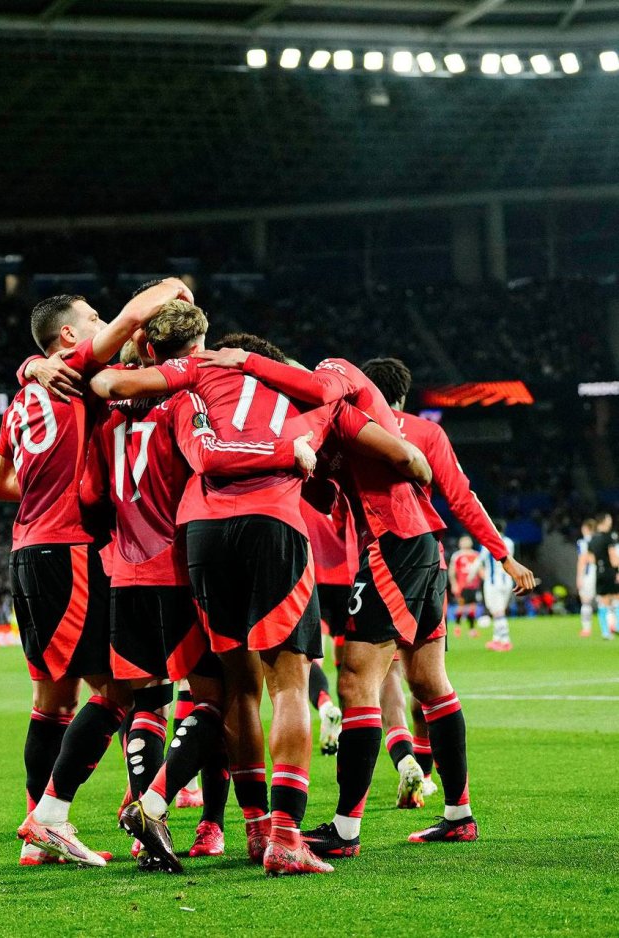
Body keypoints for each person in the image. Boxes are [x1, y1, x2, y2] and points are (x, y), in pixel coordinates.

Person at [89, 324, 430, 874]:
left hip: (199, 533)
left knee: (238, 690)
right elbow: (403, 456)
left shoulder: (198, 382)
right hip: (272, 525)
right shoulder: (312, 394)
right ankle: (285, 838)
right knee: (290, 686)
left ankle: (247, 828)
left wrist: (33, 368)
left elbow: (113, 386)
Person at [193, 347, 489, 848]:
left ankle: (347, 830)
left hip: (392, 542)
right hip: (410, 544)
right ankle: (459, 814)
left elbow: (405, 455)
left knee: (354, 679)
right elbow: (329, 498)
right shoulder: (312, 426)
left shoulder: (333, 393)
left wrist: (245, 360)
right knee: (426, 679)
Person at [0, 280, 192, 867]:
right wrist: (177, 292)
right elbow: (150, 302)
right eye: (94, 318)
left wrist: (29, 371)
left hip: (26, 549)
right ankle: (53, 815)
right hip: (69, 551)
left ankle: (40, 831)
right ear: (71, 336)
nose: (106, 324)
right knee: (124, 688)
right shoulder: (73, 368)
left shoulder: (26, 397)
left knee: (51, 701)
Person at [360, 357, 535, 794]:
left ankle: (350, 821)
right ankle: (455, 806)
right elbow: (462, 499)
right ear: (403, 395)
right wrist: (503, 557)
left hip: (371, 558)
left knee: (370, 678)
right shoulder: (426, 432)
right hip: (425, 559)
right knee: (429, 680)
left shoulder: (354, 430)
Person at [301, 488, 357, 755]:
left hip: (314, 578)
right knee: (347, 664)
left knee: (310, 658)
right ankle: (349, 731)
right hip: (349, 578)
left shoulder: (298, 481)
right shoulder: (345, 481)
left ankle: (324, 705)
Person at [468, 522, 517, 651]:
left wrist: (471, 575)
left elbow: (479, 560)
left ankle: (505, 640)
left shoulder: (488, 542)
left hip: (493, 582)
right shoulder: (510, 542)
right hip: (507, 580)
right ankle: (497, 639)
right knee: (500, 610)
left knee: (497, 611)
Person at [586, 512, 619, 640]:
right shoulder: (609, 537)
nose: (610, 521)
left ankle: (605, 632)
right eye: (609, 519)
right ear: (604, 521)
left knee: (603, 601)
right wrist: (617, 570)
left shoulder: (592, 539)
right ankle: (617, 626)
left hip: (599, 571)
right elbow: (613, 557)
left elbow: (590, 558)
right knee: (617, 598)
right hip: (610, 571)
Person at [449, 536, 482, 638]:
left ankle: (472, 629)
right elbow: (452, 571)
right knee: (461, 607)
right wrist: (454, 584)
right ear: (460, 543)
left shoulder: (476, 555)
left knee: (472, 607)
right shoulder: (457, 555)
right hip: (462, 586)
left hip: (474, 585)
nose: (465, 542)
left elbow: (480, 570)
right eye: (463, 541)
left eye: (467, 540)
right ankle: (457, 627)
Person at [576, 518, 597, 637]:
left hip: (589, 574)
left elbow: (582, 560)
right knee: (607, 602)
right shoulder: (602, 540)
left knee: (585, 602)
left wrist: (579, 577)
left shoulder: (583, 542)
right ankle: (611, 626)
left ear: (586, 528)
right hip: (602, 572)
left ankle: (586, 629)